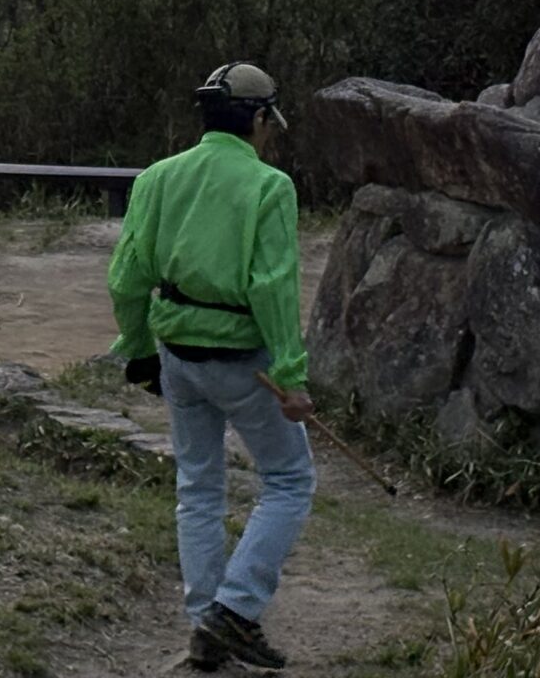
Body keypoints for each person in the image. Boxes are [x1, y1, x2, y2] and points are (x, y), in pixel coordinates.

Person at [107, 62, 316, 672]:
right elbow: (273, 287)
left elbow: (126, 277)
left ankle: (206, 625)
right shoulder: (269, 187)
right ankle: (236, 609)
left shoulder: (158, 178)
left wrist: (139, 349)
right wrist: (292, 378)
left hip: (177, 355)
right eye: (269, 122)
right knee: (290, 480)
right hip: (244, 364)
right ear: (259, 118)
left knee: (197, 487)